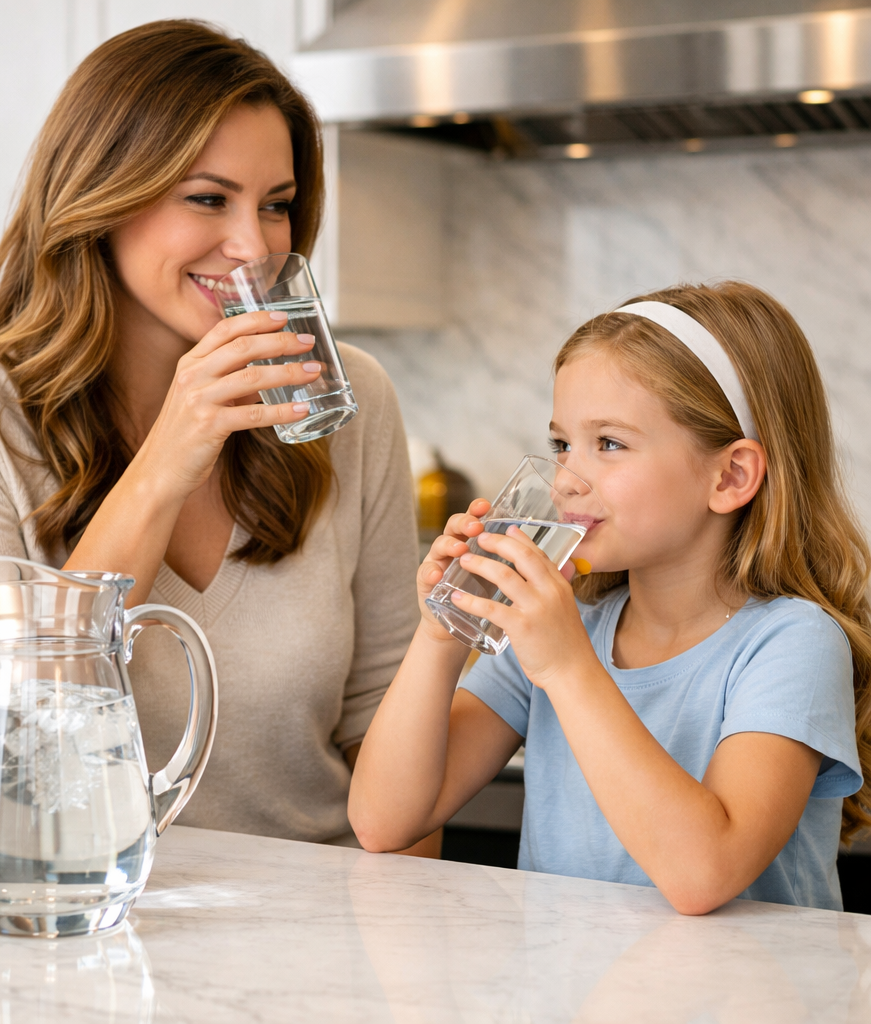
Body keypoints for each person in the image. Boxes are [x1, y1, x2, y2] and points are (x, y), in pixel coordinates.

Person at [0, 20, 425, 851]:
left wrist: (402, 924)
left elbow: (392, 725)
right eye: (208, 198)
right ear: (101, 199)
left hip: (326, 909)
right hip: (80, 902)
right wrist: (166, 463)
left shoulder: (347, 402)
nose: (253, 244)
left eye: (276, 205)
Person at [349, 281, 871, 910]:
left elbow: (704, 874)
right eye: (561, 444)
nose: (567, 479)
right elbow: (384, 821)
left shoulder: (793, 644)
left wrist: (568, 668)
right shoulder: (566, 628)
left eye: (610, 444)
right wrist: (441, 632)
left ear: (730, 476)